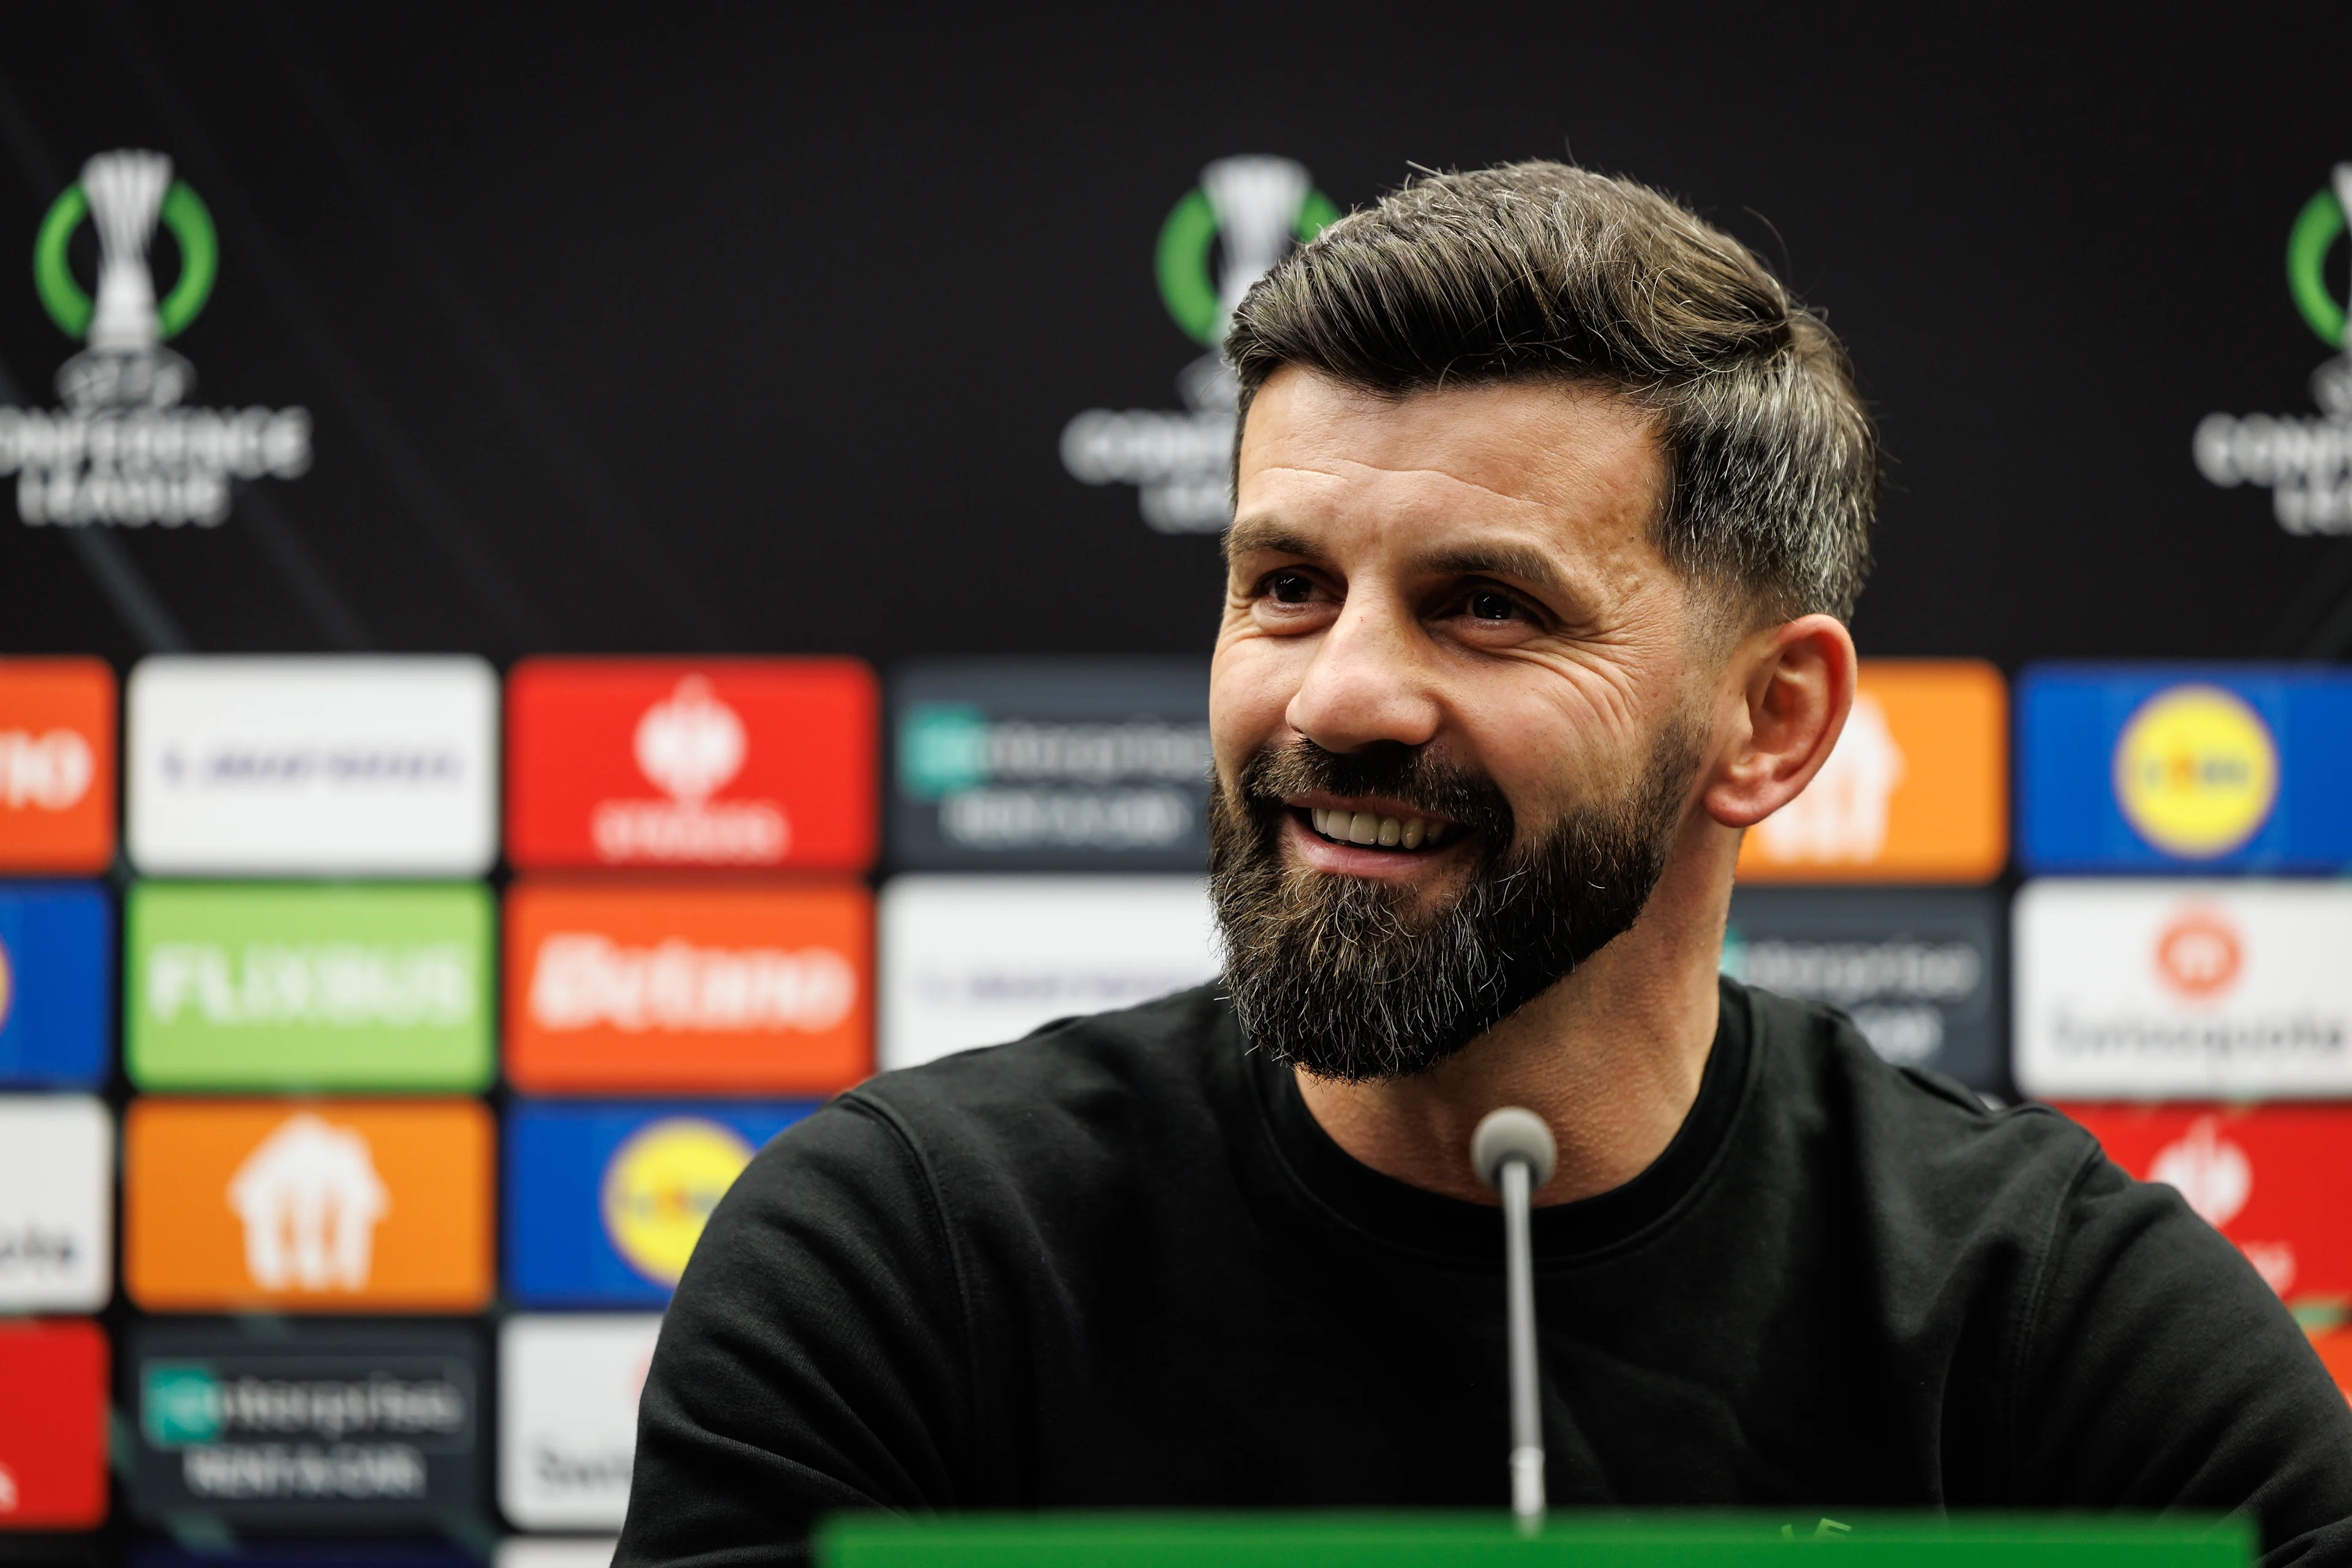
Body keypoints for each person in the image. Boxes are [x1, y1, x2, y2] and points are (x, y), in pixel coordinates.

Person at [616, 163, 2352, 1564]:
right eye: (1285, 586)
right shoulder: (908, 1262)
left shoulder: (2057, 1329)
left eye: (1489, 607)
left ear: (1770, 720)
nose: (1343, 693)